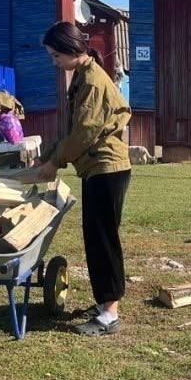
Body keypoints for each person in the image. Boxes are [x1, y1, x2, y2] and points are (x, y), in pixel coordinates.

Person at [36, 22, 132, 337]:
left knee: (102, 239)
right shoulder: (82, 77)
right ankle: (106, 302)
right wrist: (50, 153)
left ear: (71, 49)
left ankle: (109, 313)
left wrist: (55, 162)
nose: (54, 63)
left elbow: (84, 133)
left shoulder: (91, 81)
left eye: (55, 56)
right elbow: (72, 129)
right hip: (98, 168)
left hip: (107, 168)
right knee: (98, 237)